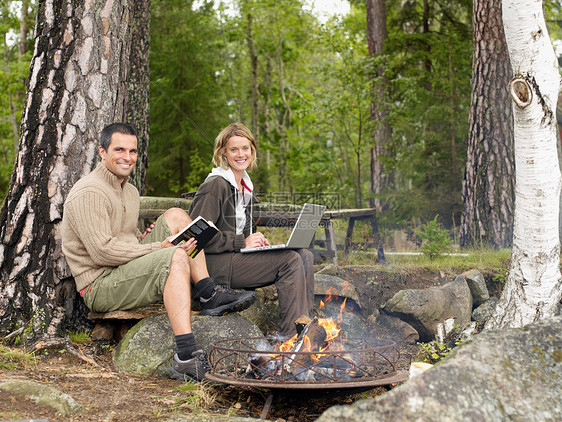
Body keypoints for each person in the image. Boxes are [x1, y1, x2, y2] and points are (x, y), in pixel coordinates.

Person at [61, 123, 256, 381]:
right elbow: (102, 253)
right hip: (100, 283)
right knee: (174, 255)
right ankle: (185, 357)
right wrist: (157, 247)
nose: (127, 157)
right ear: (102, 151)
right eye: (119, 150)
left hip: (125, 268)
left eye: (132, 151)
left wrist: (147, 239)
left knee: (178, 216)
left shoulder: (129, 190)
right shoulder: (90, 191)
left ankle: (208, 294)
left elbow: (125, 237)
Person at [189, 123, 315, 337]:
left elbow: (243, 233)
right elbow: (195, 237)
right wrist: (242, 242)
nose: (241, 154)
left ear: (252, 151)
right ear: (223, 153)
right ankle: (290, 337)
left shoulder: (245, 188)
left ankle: (305, 328)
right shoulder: (215, 185)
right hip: (213, 265)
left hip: (235, 257)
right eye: (234, 149)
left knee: (304, 255)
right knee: (289, 261)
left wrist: (256, 241)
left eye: (245, 148)